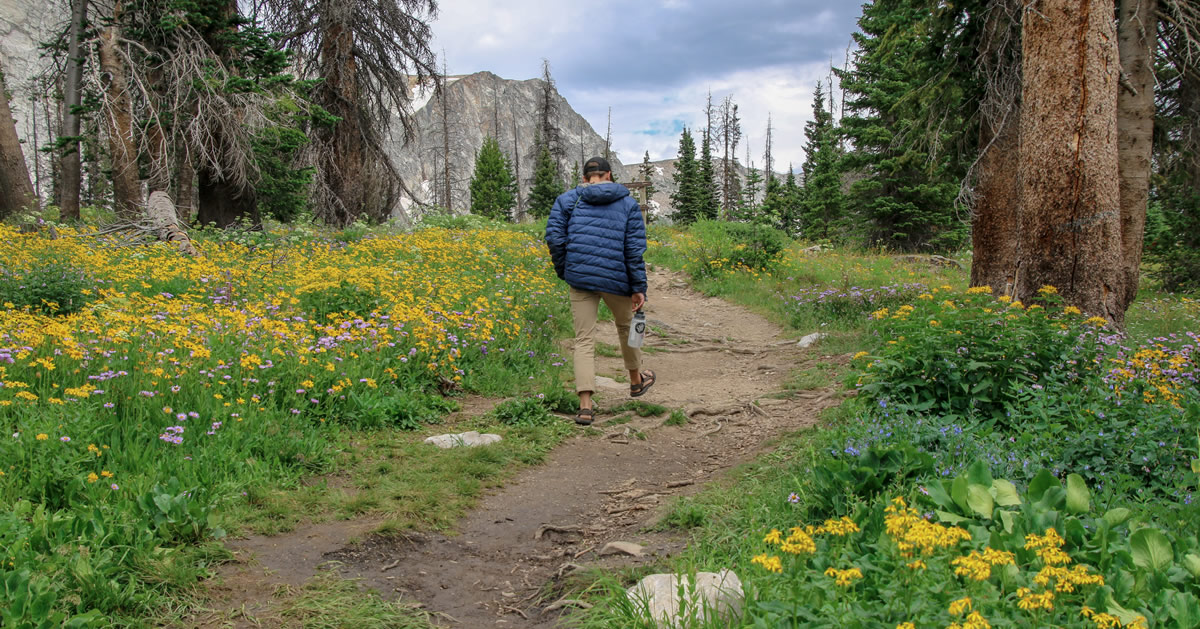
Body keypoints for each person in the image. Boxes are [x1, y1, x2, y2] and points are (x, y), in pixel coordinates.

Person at [545, 156, 655, 426]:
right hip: (618, 280)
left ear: (585, 178)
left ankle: (585, 406)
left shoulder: (568, 200)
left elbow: (555, 239)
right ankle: (635, 380)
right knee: (631, 326)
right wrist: (638, 287)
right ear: (609, 176)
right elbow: (634, 250)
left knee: (584, 340)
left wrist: (565, 270)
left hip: (580, 278)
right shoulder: (628, 203)